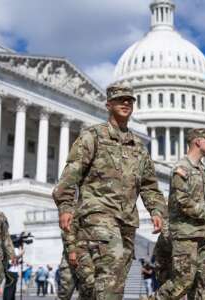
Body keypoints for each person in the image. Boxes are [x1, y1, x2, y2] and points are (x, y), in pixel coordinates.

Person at [53, 83, 166, 299]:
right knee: (111, 273)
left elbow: (150, 186)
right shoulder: (92, 136)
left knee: (113, 285)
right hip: (98, 216)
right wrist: (66, 207)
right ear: (108, 104)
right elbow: (70, 175)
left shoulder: (139, 147)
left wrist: (157, 211)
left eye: (129, 100)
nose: (126, 103)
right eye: (120, 99)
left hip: (127, 222)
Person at [149, 128, 205, 300]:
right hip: (185, 234)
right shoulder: (181, 168)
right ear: (198, 142)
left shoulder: (203, 171)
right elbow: (183, 202)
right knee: (182, 282)